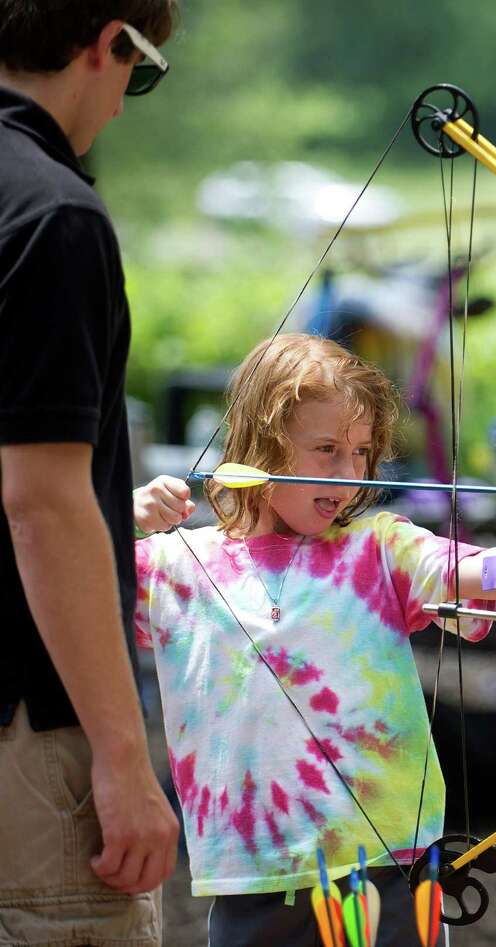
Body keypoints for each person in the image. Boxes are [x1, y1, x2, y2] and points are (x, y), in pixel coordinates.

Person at [132, 333, 496, 947]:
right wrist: (116, 515)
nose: (348, 474)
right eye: (325, 449)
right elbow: (52, 580)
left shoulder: (379, 548)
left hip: (389, 867)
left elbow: (475, 571)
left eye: (360, 453)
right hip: (255, 875)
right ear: (260, 446)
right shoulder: (173, 566)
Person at [0, 4, 179, 946]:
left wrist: (115, 510)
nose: (120, 105)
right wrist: (120, 757)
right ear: (106, 44)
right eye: (139, 73)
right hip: (27, 740)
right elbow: (40, 502)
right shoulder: (53, 213)